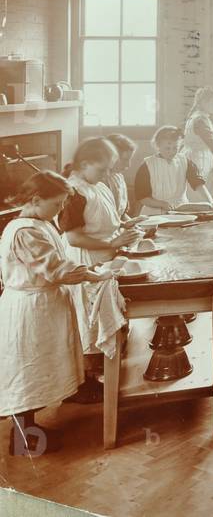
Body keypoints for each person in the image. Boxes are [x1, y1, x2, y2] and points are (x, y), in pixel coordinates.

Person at [1, 172, 113, 456]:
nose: (61, 210)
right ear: (36, 200)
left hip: (45, 304)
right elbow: (53, 268)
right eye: (57, 204)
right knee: (27, 370)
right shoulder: (25, 231)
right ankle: (22, 436)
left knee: (41, 367)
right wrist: (90, 273)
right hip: (29, 309)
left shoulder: (41, 222)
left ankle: (29, 428)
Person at [59, 138, 142, 401]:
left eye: (110, 168)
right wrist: (112, 242)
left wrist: (124, 229)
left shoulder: (96, 185)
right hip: (86, 259)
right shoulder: (74, 191)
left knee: (103, 316)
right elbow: (73, 238)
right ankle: (85, 381)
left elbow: (108, 220)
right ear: (84, 164)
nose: (108, 174)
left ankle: (103, 369)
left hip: (105, 256)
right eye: (102, 169)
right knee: (88, 320)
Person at [135, 126, 213, 215]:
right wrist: (161, 204)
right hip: (154, 211)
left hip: (181, 210)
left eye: (175, 148)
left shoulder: (184, 161)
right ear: (158, 145)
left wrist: (211, 202)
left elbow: (198, 183)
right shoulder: (147, 165)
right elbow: (142, 197)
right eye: (167, 148)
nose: (172, 152)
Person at [105, 133, 137, 222]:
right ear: (111, 157)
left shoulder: (119, 178)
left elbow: (122, 216)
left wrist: (135, 225)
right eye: (125, 159)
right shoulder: (99, 182)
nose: (128, 165)